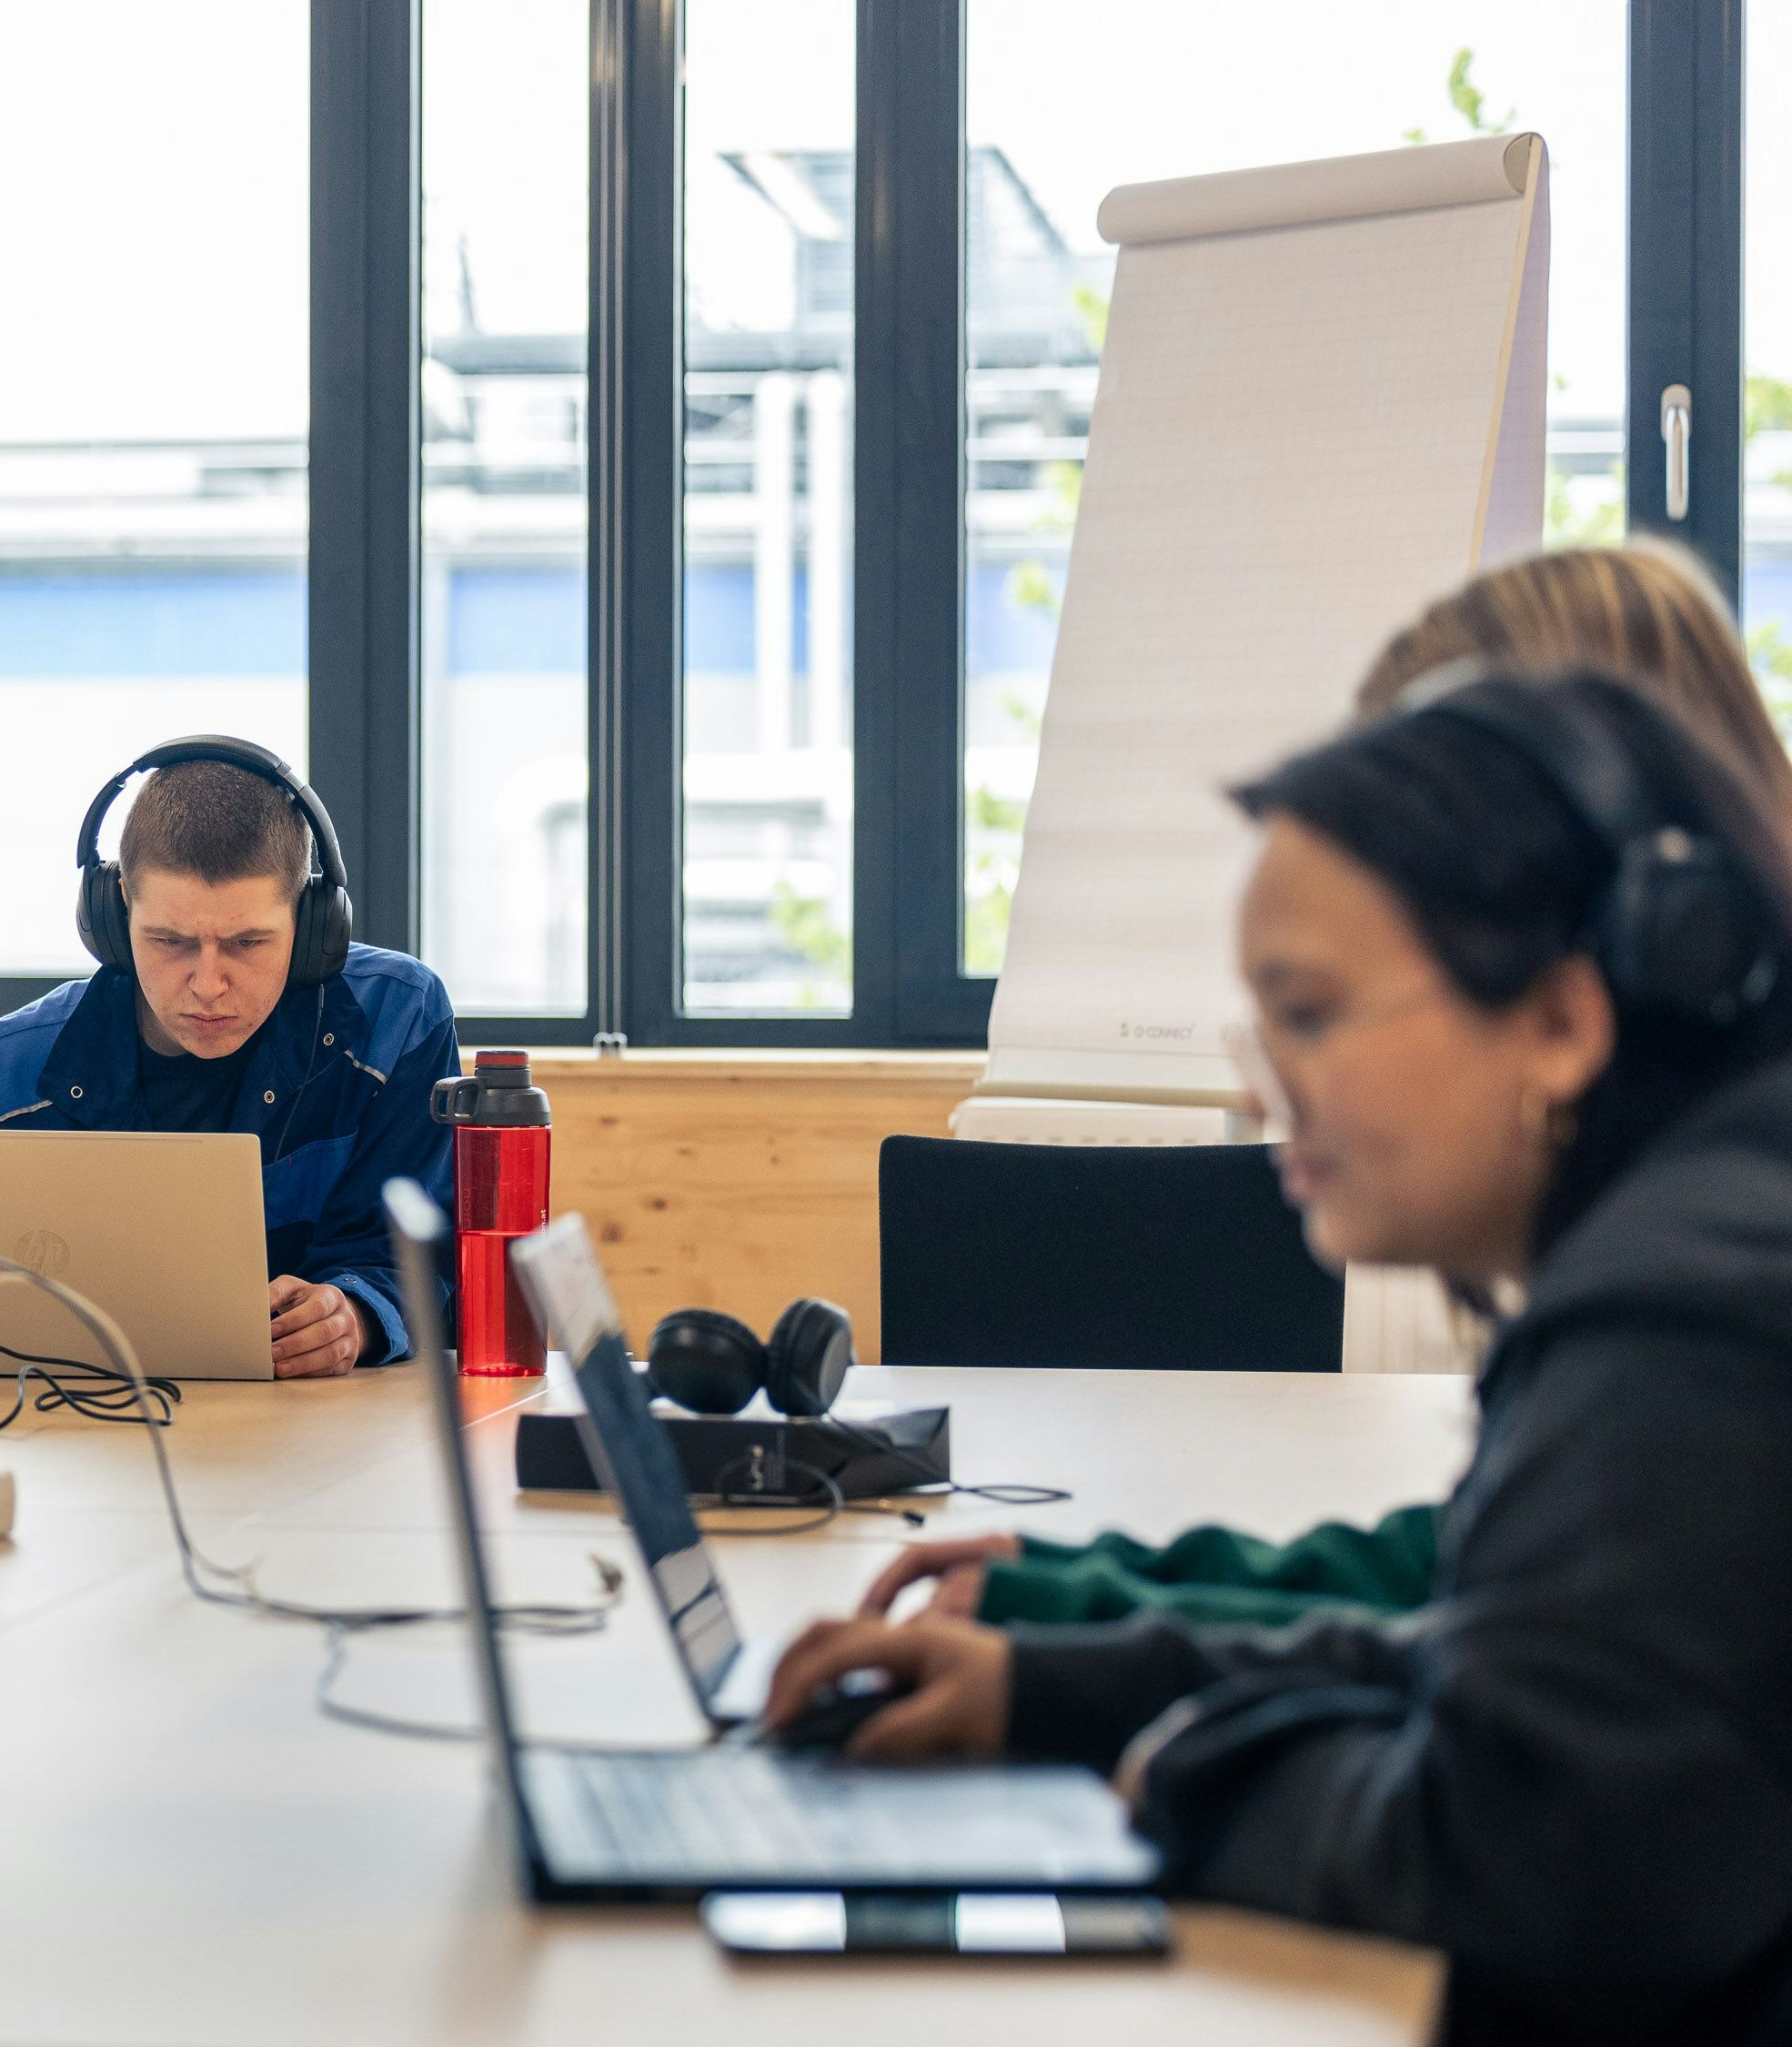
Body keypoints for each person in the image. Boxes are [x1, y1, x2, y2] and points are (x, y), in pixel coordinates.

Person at [768, 671, 1792, 2034]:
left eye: (1307, 1012)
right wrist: (1060, 1686)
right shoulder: (1704, 1243)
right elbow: (1478, 1662)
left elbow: (1525, 1857)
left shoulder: (1683, 1324)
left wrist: (1175, 1772)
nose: (1262, 1084)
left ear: (1558, 1020)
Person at [863, 539, 1792, 1630]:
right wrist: (1098, 1611)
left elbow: (1480, 1758)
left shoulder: (1693, 1307)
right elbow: (1475, 1580)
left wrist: (1140, 1710)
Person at [0, 737, 460, 1375]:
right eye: (169, 940)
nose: (207, 984)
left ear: (312, 930)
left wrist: (355, 1316)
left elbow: (427, 1260)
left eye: (248, 942)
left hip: (322, 1439)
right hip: (65, 1443)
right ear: (112, 922)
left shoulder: (395, 1026)